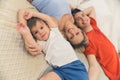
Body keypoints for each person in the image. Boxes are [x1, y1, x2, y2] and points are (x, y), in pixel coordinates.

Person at [17, 9, 89, 80]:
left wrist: (32, 14)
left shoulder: (54, 32)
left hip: (74, 67)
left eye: (42, 28)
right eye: (36, 32)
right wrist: (26, 32)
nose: (40, 32)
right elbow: (33, 45)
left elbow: (47, 18)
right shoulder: (40, 43)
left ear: (47, 26)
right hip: (59, 70)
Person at [62, 6, 120, 80]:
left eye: (83, 15)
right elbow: (94, 67)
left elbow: (91, 8)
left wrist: (75, 11)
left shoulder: (92, 23)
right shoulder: (87, 42)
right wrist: (74, 18)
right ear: (76, 25)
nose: (83, 19)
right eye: (78, 19)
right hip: (115, 76)